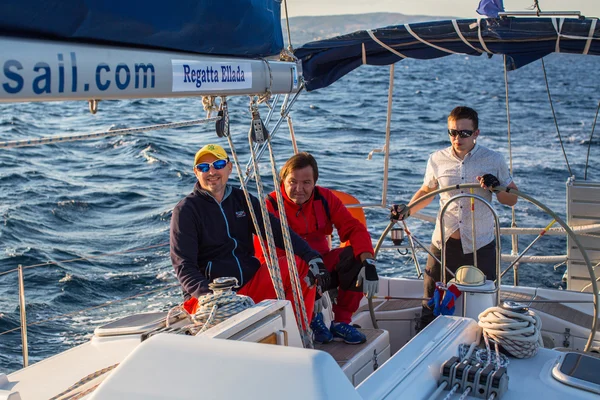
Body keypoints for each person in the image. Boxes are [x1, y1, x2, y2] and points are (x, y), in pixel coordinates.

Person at [170, 144, 329, 325]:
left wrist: (312, 257)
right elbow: (184, 266)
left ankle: (297, 331)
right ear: (196, 173)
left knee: (298, 265)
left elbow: (278, 232)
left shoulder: (242, 200)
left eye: (218, 164)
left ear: (229, 168)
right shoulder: (186, 211)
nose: (212, 171)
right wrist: (211, 297)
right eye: (204, 167)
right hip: (209, 297)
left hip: (247, 287)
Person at [391, 106, 518, 330]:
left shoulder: (494, 159)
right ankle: (425, 351)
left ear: (476, 133)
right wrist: (407, 210)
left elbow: (512, 199)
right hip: (444, 243)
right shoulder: (436, 159)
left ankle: (482, 349)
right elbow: (426, 191)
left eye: (464, 133)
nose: (457, 138)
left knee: (484, 310)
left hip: (481, 244)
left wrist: (496, 187)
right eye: (452, 132)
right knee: (430, 305)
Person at [254, 152, 379, 345]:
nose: (299, 189)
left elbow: (354, 228)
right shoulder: (269, 206)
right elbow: (266, 257)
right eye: (292, 182)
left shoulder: (325, 198)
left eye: (306, 182)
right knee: (293, 266)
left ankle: (341, 323)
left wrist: (368, 262)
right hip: (290, 274)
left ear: (314, 183)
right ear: (282, 181)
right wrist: (310, 283)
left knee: (355, 257)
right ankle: (311, 319)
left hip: (322, 266)